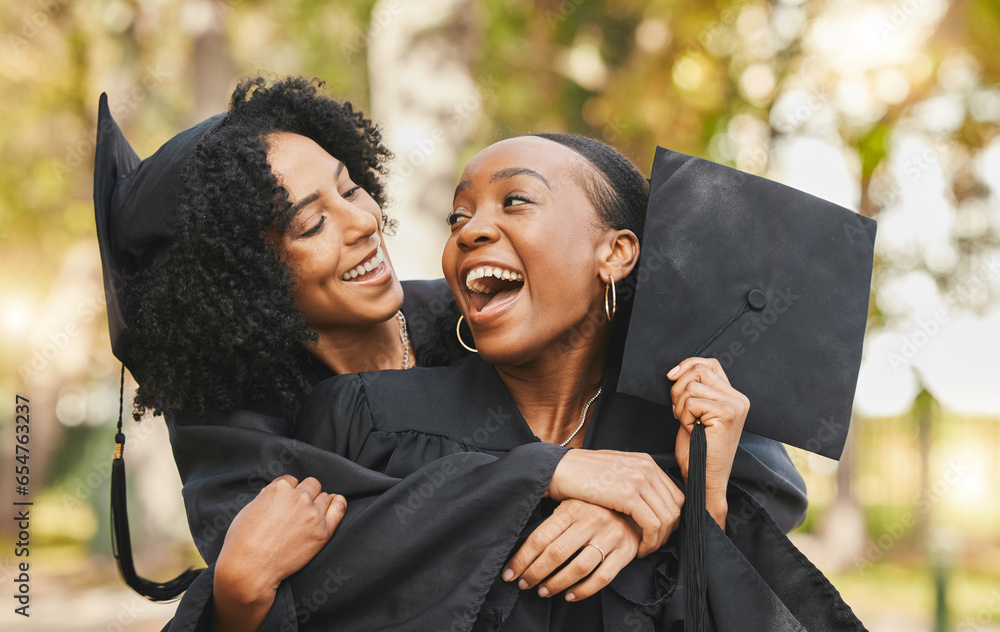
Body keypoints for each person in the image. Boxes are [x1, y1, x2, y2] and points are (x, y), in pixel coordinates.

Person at [95, 76, 812, 631]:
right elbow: (328, 570)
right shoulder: (239, 409)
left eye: (350, 188)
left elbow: (748, 472)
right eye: (312, 223)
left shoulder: (478, 319)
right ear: (241, 282)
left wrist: (648, 504)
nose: (362, 222)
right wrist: (236, 600)